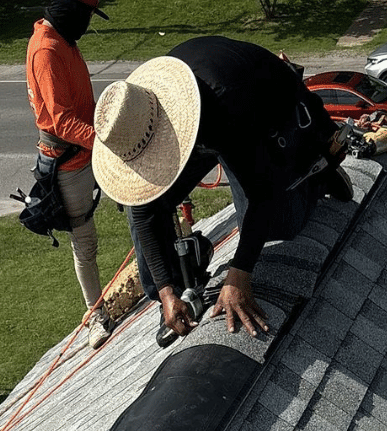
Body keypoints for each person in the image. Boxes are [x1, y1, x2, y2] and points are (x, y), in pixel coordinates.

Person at [92, 36, 350, 342]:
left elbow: (261, 191)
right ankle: (183, 292)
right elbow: (142, 210)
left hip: (270, 113)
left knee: (278, 225)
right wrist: (166, 292)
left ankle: (315, 173)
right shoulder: (139, 117)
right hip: (207, 118)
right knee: (148, 213)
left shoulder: (227, 107)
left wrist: (239, 272)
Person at [26, 0, 114, 350]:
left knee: (141, 200)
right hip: (70, 160)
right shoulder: (47, 51)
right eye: (87, 14)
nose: (89, 22)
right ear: (69, 11)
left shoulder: (65, 41)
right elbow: (61, 120)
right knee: (85, 241)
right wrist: (104, 142)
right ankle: (96, 316)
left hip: (90, 146)